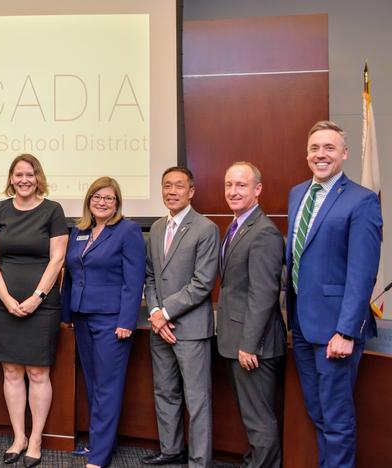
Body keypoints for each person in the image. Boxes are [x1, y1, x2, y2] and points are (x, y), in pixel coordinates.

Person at [286, 121, 382, 468]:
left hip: (336, 331)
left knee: (337, 420)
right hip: (302, 325)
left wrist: (345, 331)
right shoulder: (297, 193)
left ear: (344, 154)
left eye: (329, 148)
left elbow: (362, 273)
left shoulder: (363, 200)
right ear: (306, 153)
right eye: (315, 148)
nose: (320, 154)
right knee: (319, 414)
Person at [0, 153, 68, 468]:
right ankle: (18, 437)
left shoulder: (52, 211)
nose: (23, 180)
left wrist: (37, 297)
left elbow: (57, 259)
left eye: (29, 175)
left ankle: (36, 440)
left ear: (38, 177)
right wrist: (4, 297)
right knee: (11, 371)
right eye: (18, 175)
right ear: (11, 178)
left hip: (42, 306)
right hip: (5, 303)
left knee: (37, 371)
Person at [60, 177, 145, 468]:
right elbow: (70, 273)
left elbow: (134, 282)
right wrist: (66, 315)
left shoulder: (128, 231)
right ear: (89, 200)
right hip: (83, 318)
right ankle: (99, 443)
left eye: (109, 198)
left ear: (117, 202)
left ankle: (100, 456)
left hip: (112, 321)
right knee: (94, 384)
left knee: (108, 387)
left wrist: (126, 321)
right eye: (97, 197)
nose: (102, 202)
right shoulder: (80, 231)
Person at [142, 166, 219, 467]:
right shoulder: (158, 227)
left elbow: (203, 283)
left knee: (197, 399)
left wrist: (166, 313)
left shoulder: (205, 228)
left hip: (190, 328)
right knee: (165, 391)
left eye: (178, 186)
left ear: (191, 191)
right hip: (160, 327)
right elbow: (150, 276)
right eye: (166, 186)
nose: (171, 191)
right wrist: (155, 312)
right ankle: (171, 449)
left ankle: (199, 461)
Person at [217, 162, 286, 468]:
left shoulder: (264, 233)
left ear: (258, 190)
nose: (234, 191)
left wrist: (248, 344)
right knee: (252, 415)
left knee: (259, 419)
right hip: (239, 339)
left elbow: (264, 294)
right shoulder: (238, 226)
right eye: (229, 184)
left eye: (241, 185)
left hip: (253, 345)